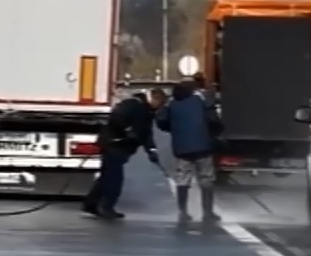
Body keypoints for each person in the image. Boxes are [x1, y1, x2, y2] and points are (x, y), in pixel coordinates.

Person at [82, 86, 166, 220]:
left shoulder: (147, 111)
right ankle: (107, 207)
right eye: (159, 103)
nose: (159, 107)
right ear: (154, 99)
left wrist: (151, 150)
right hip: (114, 144)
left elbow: (145, 134)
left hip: (119, 146)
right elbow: (116, 118)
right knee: (114, 179)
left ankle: (90, 205)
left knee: (106, 178)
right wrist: (127, 131)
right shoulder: (133, 104)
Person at [156, 79, 222, 220]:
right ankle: (207, 212)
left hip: (182, 148)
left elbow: (161, 121)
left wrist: (174, 128)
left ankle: (183, 212)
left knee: (183, 179)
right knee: (206, 178)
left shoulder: (171, 103)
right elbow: (213, 120)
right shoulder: (200, 100)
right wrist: (215, 134)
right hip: (203, 146)